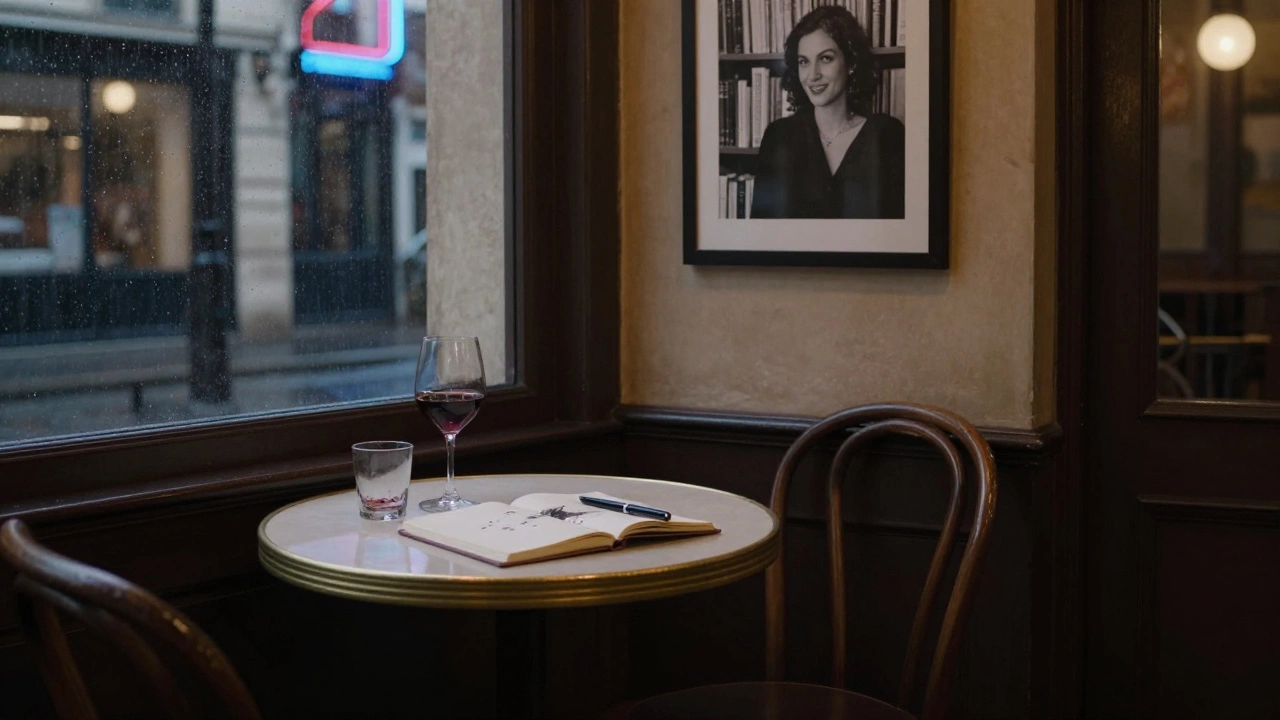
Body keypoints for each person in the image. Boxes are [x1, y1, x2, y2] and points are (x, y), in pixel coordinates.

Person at [751, 5, 905, 219]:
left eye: (825, 58)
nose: (812, 75)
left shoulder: (887, 135)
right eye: (804, 62)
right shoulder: (779, 137)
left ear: (850, 62)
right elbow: (761, 235)